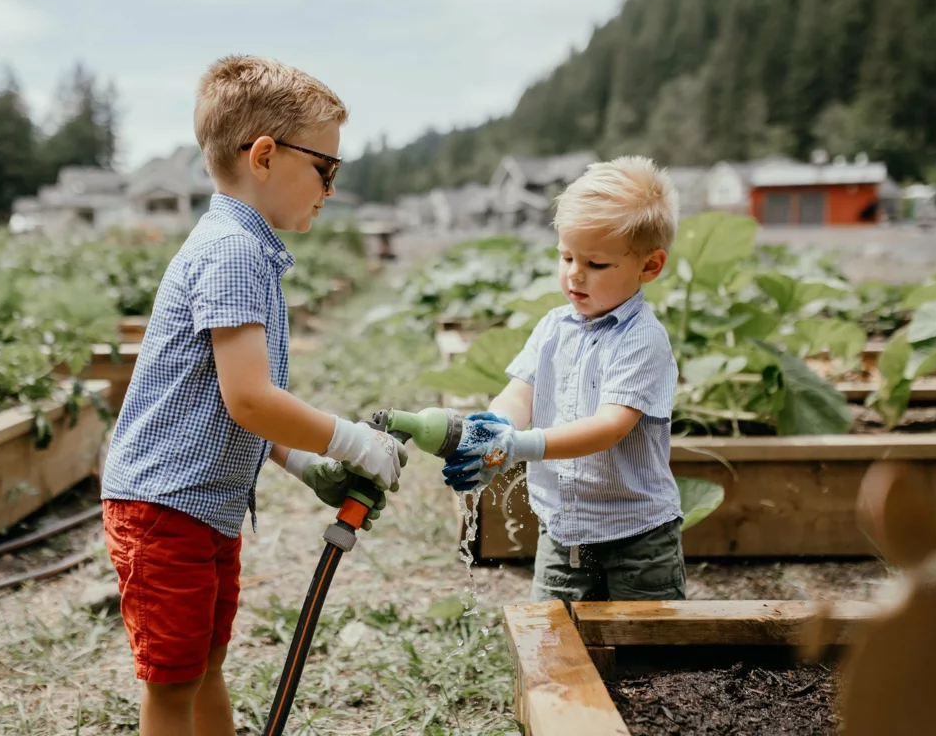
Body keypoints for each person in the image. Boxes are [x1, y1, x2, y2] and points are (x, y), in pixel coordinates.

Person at [100, 55, 407, 736]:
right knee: (173, 683)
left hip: (198, 507)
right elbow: (249, 399)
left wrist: (304, 465)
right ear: (265, 156)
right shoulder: (233, 253)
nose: (329, 187)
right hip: (163, 509)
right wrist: (352, 441)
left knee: (206, 663)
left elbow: (224, 408)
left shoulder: (247, 249)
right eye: (325, 170)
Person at [443, 156, 685, 604]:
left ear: (649, 267)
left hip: (638, 539)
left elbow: (611, 427)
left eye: (595, 263)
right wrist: (497, 426)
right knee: (551, 639)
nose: (574, 273)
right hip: (563, 531)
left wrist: (522, 445)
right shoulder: (554, 326)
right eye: (566, 256)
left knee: (649, 657)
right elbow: (522, 391)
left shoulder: (642, 339)